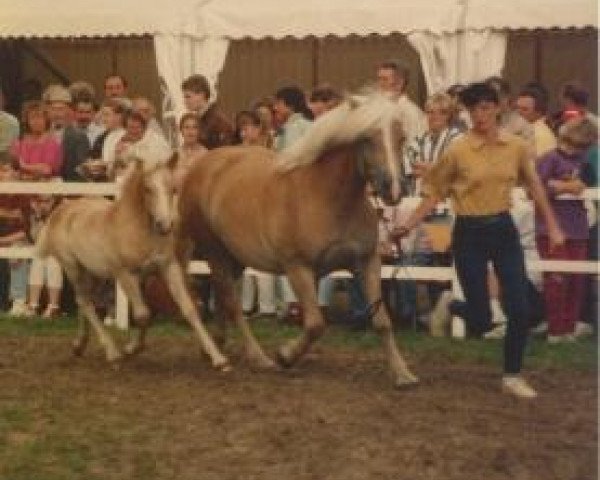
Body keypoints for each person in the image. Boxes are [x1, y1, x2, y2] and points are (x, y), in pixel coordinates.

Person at [393, 82, 565, 399]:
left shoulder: (515, 146)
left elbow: (536, 187)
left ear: (498, 108)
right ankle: (453, 303)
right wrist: (408, 225)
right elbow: (433, 194)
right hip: (469, 233)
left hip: (503, 229)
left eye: (485, 107)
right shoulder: (458, 151)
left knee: (520, 309)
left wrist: (553, 227)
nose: (479, 115)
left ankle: (512, 375)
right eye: (473, 109)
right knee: (482, 320)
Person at [535, 117, 598, 343]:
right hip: (551, 228)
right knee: (556, 280)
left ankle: (568, 328)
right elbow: (536, 187)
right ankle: (555, 329)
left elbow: (589, 184)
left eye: (583, 146)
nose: (577, 150)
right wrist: (563, 186)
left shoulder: (584, 162)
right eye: (575, 144)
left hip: (578, 228)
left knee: (576, 281)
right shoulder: (548, 159)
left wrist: (573, 185)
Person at [10, 100, 64, 317]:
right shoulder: (20, 143)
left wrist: (25, 168)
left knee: (50, 252)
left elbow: (48, 169)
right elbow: (14, 170)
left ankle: (53, 305)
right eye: (32, 117)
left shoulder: (53, 143)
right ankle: (32, 304)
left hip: (47, 201)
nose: (36, 121)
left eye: (41, 117)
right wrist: (24, 171)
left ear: (47, 120)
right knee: (36, 253)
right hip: (26, 204)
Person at [0, 154, 30, 315]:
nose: (5, 174)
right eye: (2, 170)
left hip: (15, 239)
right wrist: (8, 214)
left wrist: (3, 241)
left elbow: (24, 232)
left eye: (9, 170)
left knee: (18, 251)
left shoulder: (23, 195)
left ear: (18, 173)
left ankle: (19, 301)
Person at [42, 84, 90, 182]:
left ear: (68, 111)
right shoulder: (40, 133)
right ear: (47, 111)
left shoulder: (79, 137)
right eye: (53, 109)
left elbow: (81, 170)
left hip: (68, 189)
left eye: (61, 109)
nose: (57, 114)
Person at [376, 59, 427, 143]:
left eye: (384, 79)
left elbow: (416, 147)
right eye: (379, 79)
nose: (380, 84)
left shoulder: (411, 113)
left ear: (400, 83)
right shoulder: (381, 110)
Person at [181, 74, 234, 149]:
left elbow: (225, 153)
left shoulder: (218, 121)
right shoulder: (199, 119)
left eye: (188, 97)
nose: (185, 101)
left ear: (201, 95)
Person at [515, 83, 557, 158]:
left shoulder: (541, 134)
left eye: (524, 109)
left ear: (539, 111)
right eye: (517, 108)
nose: (519, 112)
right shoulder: (523, 129)